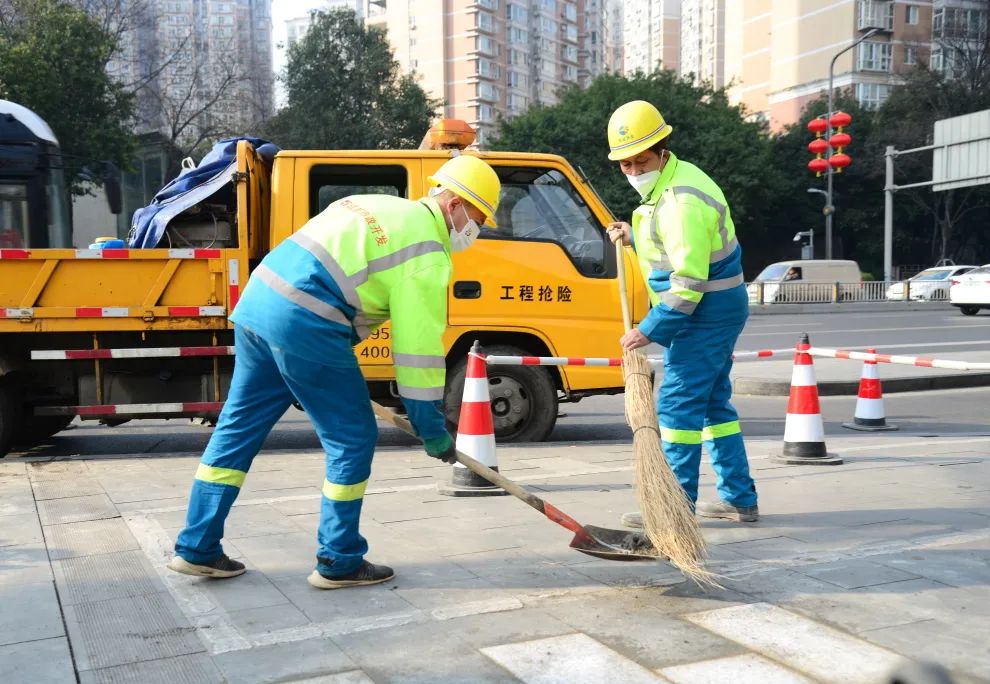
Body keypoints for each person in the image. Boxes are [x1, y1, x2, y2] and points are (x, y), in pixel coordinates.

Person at [167, 155, 501, 588]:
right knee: (353, 436)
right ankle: (339, 558)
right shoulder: (429, 253)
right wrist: (430, 428)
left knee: (238, 428)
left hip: (258, 304)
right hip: (307, 319)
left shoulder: (376, 204)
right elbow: (417, 354)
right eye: (479, 216)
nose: (478, 228)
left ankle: (196, 547)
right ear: (455, 202)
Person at [604, 100, 758, 524]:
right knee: (713, 406)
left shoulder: (680, 200)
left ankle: (673, 510)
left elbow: (687, 282)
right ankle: (740, 499)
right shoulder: (669, 185)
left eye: (641, 161)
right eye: (626, 165)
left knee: (676, 408)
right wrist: (632, 235)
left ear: (662, 148)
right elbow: (671, 247)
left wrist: (648, 329)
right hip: (712, 309)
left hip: (704, 313)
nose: (634, 171)